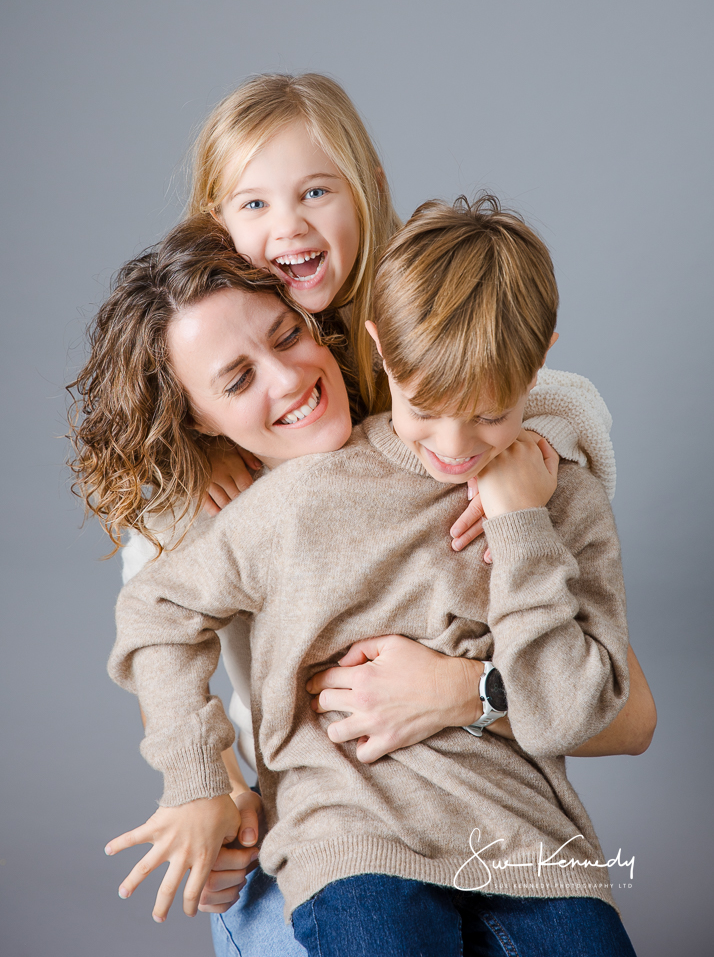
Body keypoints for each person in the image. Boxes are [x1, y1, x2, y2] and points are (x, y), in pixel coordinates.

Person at [96, 198, 652, 955]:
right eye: (235, 379)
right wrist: (203, 784)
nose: (458, 445)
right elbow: (155, 613)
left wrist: (519, 522)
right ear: (384, 352)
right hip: (351, 835)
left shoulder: (553, 485)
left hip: (529, 841)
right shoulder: (281, 505)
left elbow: (592, 709)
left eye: (288, 335)